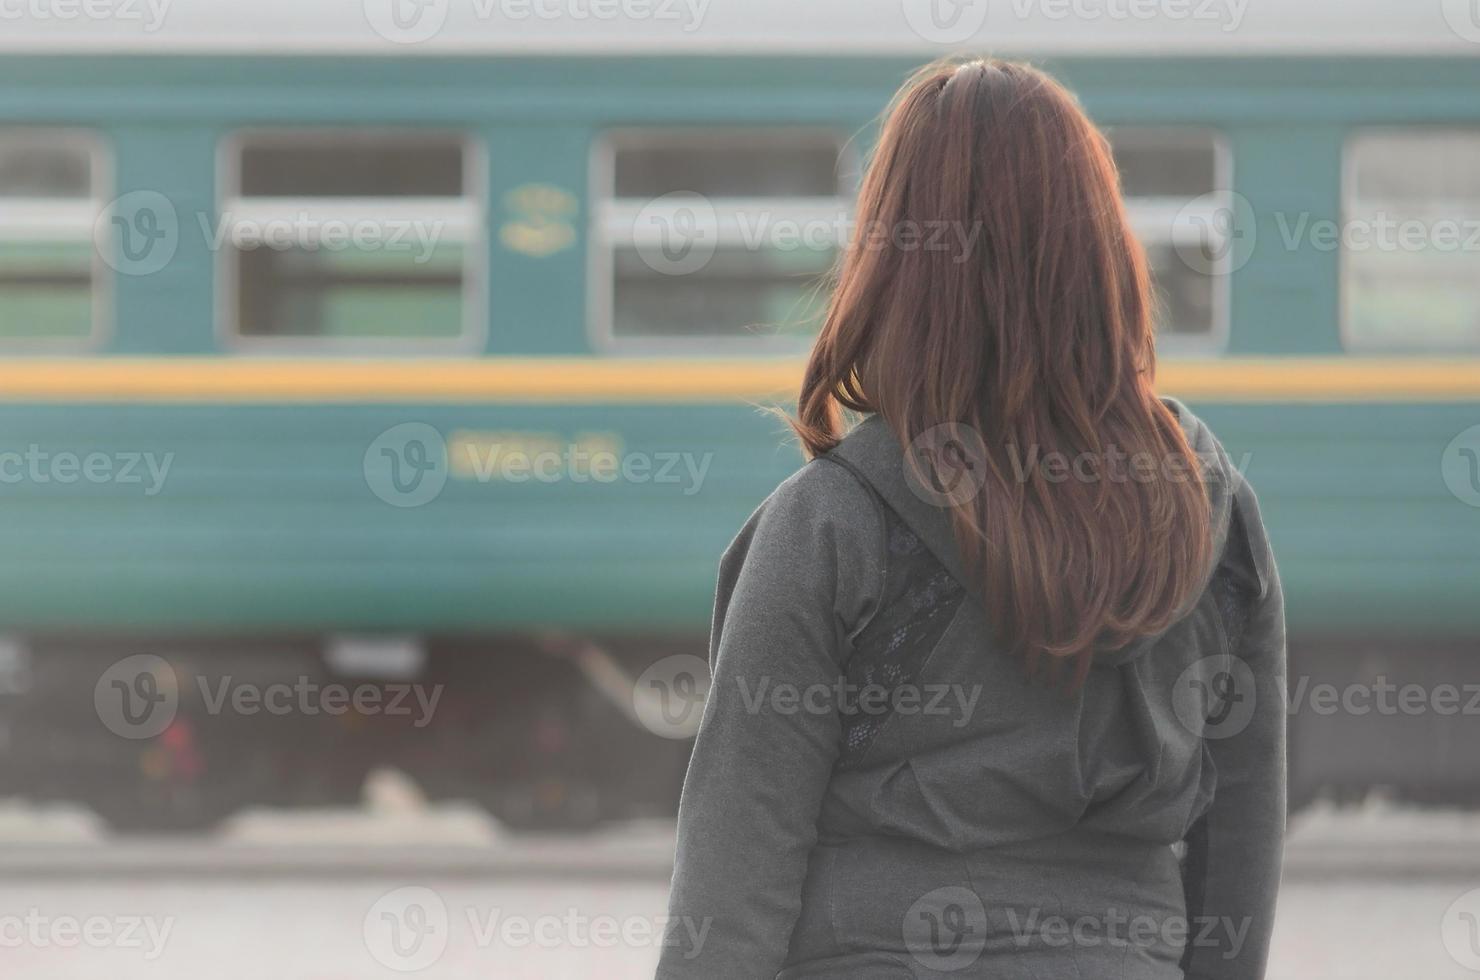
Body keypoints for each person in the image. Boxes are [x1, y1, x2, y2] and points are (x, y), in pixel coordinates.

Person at [657, 58, 1286, 980]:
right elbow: (1240, 857)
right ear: (1102, 252)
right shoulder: (1211, 514)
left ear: (897, 258)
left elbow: (733, 887)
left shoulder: (830, 527)